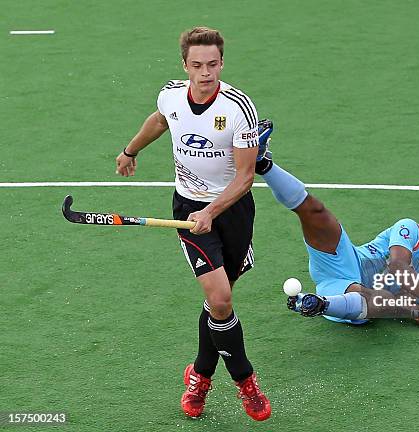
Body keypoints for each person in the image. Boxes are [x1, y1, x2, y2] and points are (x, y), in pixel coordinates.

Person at [115, 26, 271, 421]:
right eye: (198, 65)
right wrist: (130, 150)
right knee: (220, 300)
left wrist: (211, 213)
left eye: (213, 64)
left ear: (222, 63)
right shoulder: (171, 95)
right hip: (187, 209)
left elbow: (245, 177)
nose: (206, 72)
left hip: (231, 211)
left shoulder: (238, 108)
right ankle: (245, 382)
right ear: (185, 64)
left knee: (219, 303)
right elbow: (160, 119)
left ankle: (199, 374)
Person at [254, 125, 419, 324]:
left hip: (350, 294)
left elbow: (402, 304)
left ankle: (316, 303)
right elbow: (399, 266)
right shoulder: (410, 230)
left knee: (382, 301)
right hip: (346, 259)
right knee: (317, 212)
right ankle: (263, 163)